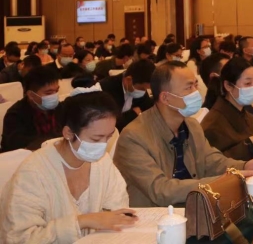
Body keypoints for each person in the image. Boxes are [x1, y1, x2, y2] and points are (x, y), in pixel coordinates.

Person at [114, 61, 253, 207]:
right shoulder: (134, 137)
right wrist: (225, 180)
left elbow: (212, 161)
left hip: (194, 208)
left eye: (195, 85)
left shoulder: (191, 125)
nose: (196, 93)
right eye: (188, 87)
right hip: (156, 218)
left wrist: (244, 166)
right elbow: (161, 190)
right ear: (166, 98)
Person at [0, 92, 135, 243]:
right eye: (96, 139)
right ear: (69, 133)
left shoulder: (103, 163)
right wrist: (83, 221)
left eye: (109, 137)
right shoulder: (33, 173)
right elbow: (20, 238)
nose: (103, 146)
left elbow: (118, 208)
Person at [202, 57, 253, 160]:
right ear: (228, 86)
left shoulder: (250, 118)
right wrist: (249, 146)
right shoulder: (213, 125)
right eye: (247, 83)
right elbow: (213, 163)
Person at [1, 66, 63, 152]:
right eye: (49, 93)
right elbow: (14, 145)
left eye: (56, 91)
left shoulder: (59, 107)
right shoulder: (15, 115)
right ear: (31, 95)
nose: (54, 96)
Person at [99, 60, 156, 131]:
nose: (143, 92)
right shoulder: (105, 90)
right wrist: (133, 114)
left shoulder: (140, 85)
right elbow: (110, 123)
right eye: (142, 88)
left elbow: (149, 109)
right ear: (128, 80)